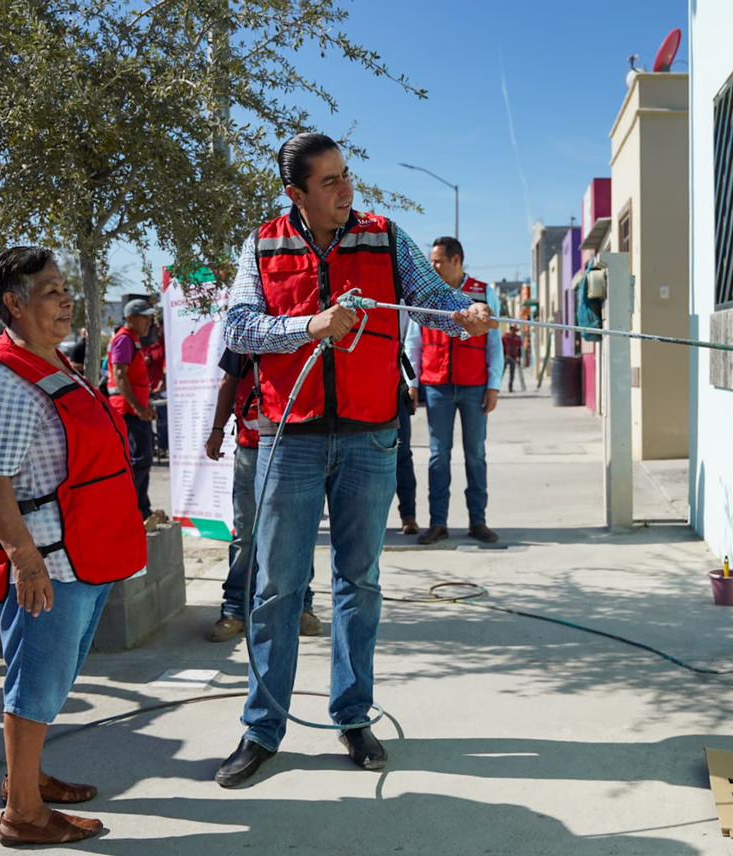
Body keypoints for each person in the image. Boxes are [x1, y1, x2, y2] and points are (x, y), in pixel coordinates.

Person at [216, 132, 495, 787]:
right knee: (276, 590)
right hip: (291, 441)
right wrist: (309, 326)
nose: (347, 191)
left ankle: (352, 716)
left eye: (347, 176)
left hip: (372, 440)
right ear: (296, 194)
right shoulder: (261, 246)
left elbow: (437, 302)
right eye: (331, 182)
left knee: (359, 585)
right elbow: (236, 328)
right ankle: (263, 728)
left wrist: (469, 315)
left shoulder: (385, 238)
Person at [0, 246, 147, 846]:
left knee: (54, 676)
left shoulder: (50, 363)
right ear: (13, 305)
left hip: (82, 555)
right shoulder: (3, 380)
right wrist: (25, 560)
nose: (65, 298)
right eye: (49, 290)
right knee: (37, 681)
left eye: (64, 286)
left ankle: (28, 779)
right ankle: (22, 814)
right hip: (49, 562)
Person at [204, 347, 321, 642]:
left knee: (296, 531)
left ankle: (301, 607)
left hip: (297, 446)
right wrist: (217, 429)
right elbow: (229, 382)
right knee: (246, 534)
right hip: (251, 447)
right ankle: (234, 611)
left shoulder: (303, 327)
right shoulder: (245, 331)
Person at [405, 237, 504, 545]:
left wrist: (494, 385)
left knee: (475, 455)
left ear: (457, 261)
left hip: (475, 386)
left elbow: (494, 343)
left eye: (438, 261)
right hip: (437, 387)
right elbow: (413, 341)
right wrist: (412, 383)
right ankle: (438, 523)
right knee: (438, 456)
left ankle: (478, 520)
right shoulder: (425, 296)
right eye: (431, 261)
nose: (433, 266)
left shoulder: (483, 293)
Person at [106, 299, 156, 521]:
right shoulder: (124, 340)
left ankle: (141, 509)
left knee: (143, 459)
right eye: (144, 317)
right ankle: (130, 509)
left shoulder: (133, 341)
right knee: (139, 459)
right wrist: (138, 407)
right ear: (130, 318)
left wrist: (146, 406)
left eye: (150, 317)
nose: (149, 322)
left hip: (136, 411)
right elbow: (120, 376)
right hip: (127, 412)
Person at [395, 308, 419, 535]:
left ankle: (408, 516)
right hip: (363, 385)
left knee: (402, 455)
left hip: (397, 386)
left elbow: (411, 344)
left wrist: (412, 385)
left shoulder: (405, 300)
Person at [503, 326, 526, 393]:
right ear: (510, 330)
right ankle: (496, 388)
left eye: (515, 331)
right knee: (501, 372)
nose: (514, 332)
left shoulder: (517, 338)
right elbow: (502, 346)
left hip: (513, 357)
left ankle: (510, 387)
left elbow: (519, 349)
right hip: (506, 357)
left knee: (512, 373)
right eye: (513, 330)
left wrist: (519, 358)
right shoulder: (505, 337)